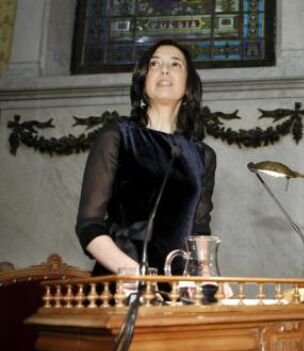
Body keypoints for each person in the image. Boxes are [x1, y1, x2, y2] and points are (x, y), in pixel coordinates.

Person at [76, 39, 216, 276]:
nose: (164, 70)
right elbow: (89, 225)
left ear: (188, 85)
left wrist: (209, 280)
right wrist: (138, 274)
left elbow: (199, 234)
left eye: (175, 64)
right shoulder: (116, 137)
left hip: (178, 288)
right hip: (121, 282)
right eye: (154, 64)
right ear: (142, 82)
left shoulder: (203, 155)